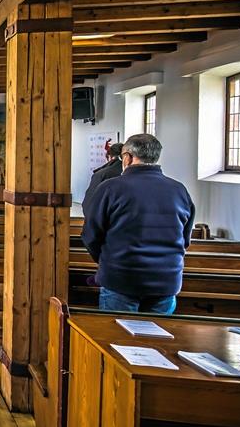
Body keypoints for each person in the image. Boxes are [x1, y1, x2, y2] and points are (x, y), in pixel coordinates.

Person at [81, 134, 195, 314]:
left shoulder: (111, 188)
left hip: (121, 277)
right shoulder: (179, 190)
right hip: (166, 280)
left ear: (127, 157)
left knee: (117, 337)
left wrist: (107, 261)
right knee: (155, 339)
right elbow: (185, 237)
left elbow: (91, 234)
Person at [82, 142, 123, 211]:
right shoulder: (134, 174)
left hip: (106, 219)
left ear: (109, 156)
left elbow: (88, 205)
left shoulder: (101, 175)